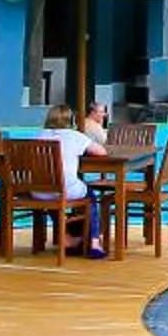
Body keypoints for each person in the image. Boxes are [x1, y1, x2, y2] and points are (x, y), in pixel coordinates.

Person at [39, 104, 107, 257]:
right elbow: (101, 152)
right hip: (65, 189)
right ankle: (94, 243)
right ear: (71, 120)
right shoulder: (74, 136)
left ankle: (67, 237)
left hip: (40, 192)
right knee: (90, 196)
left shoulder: (39, 135)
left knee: (54, 199)